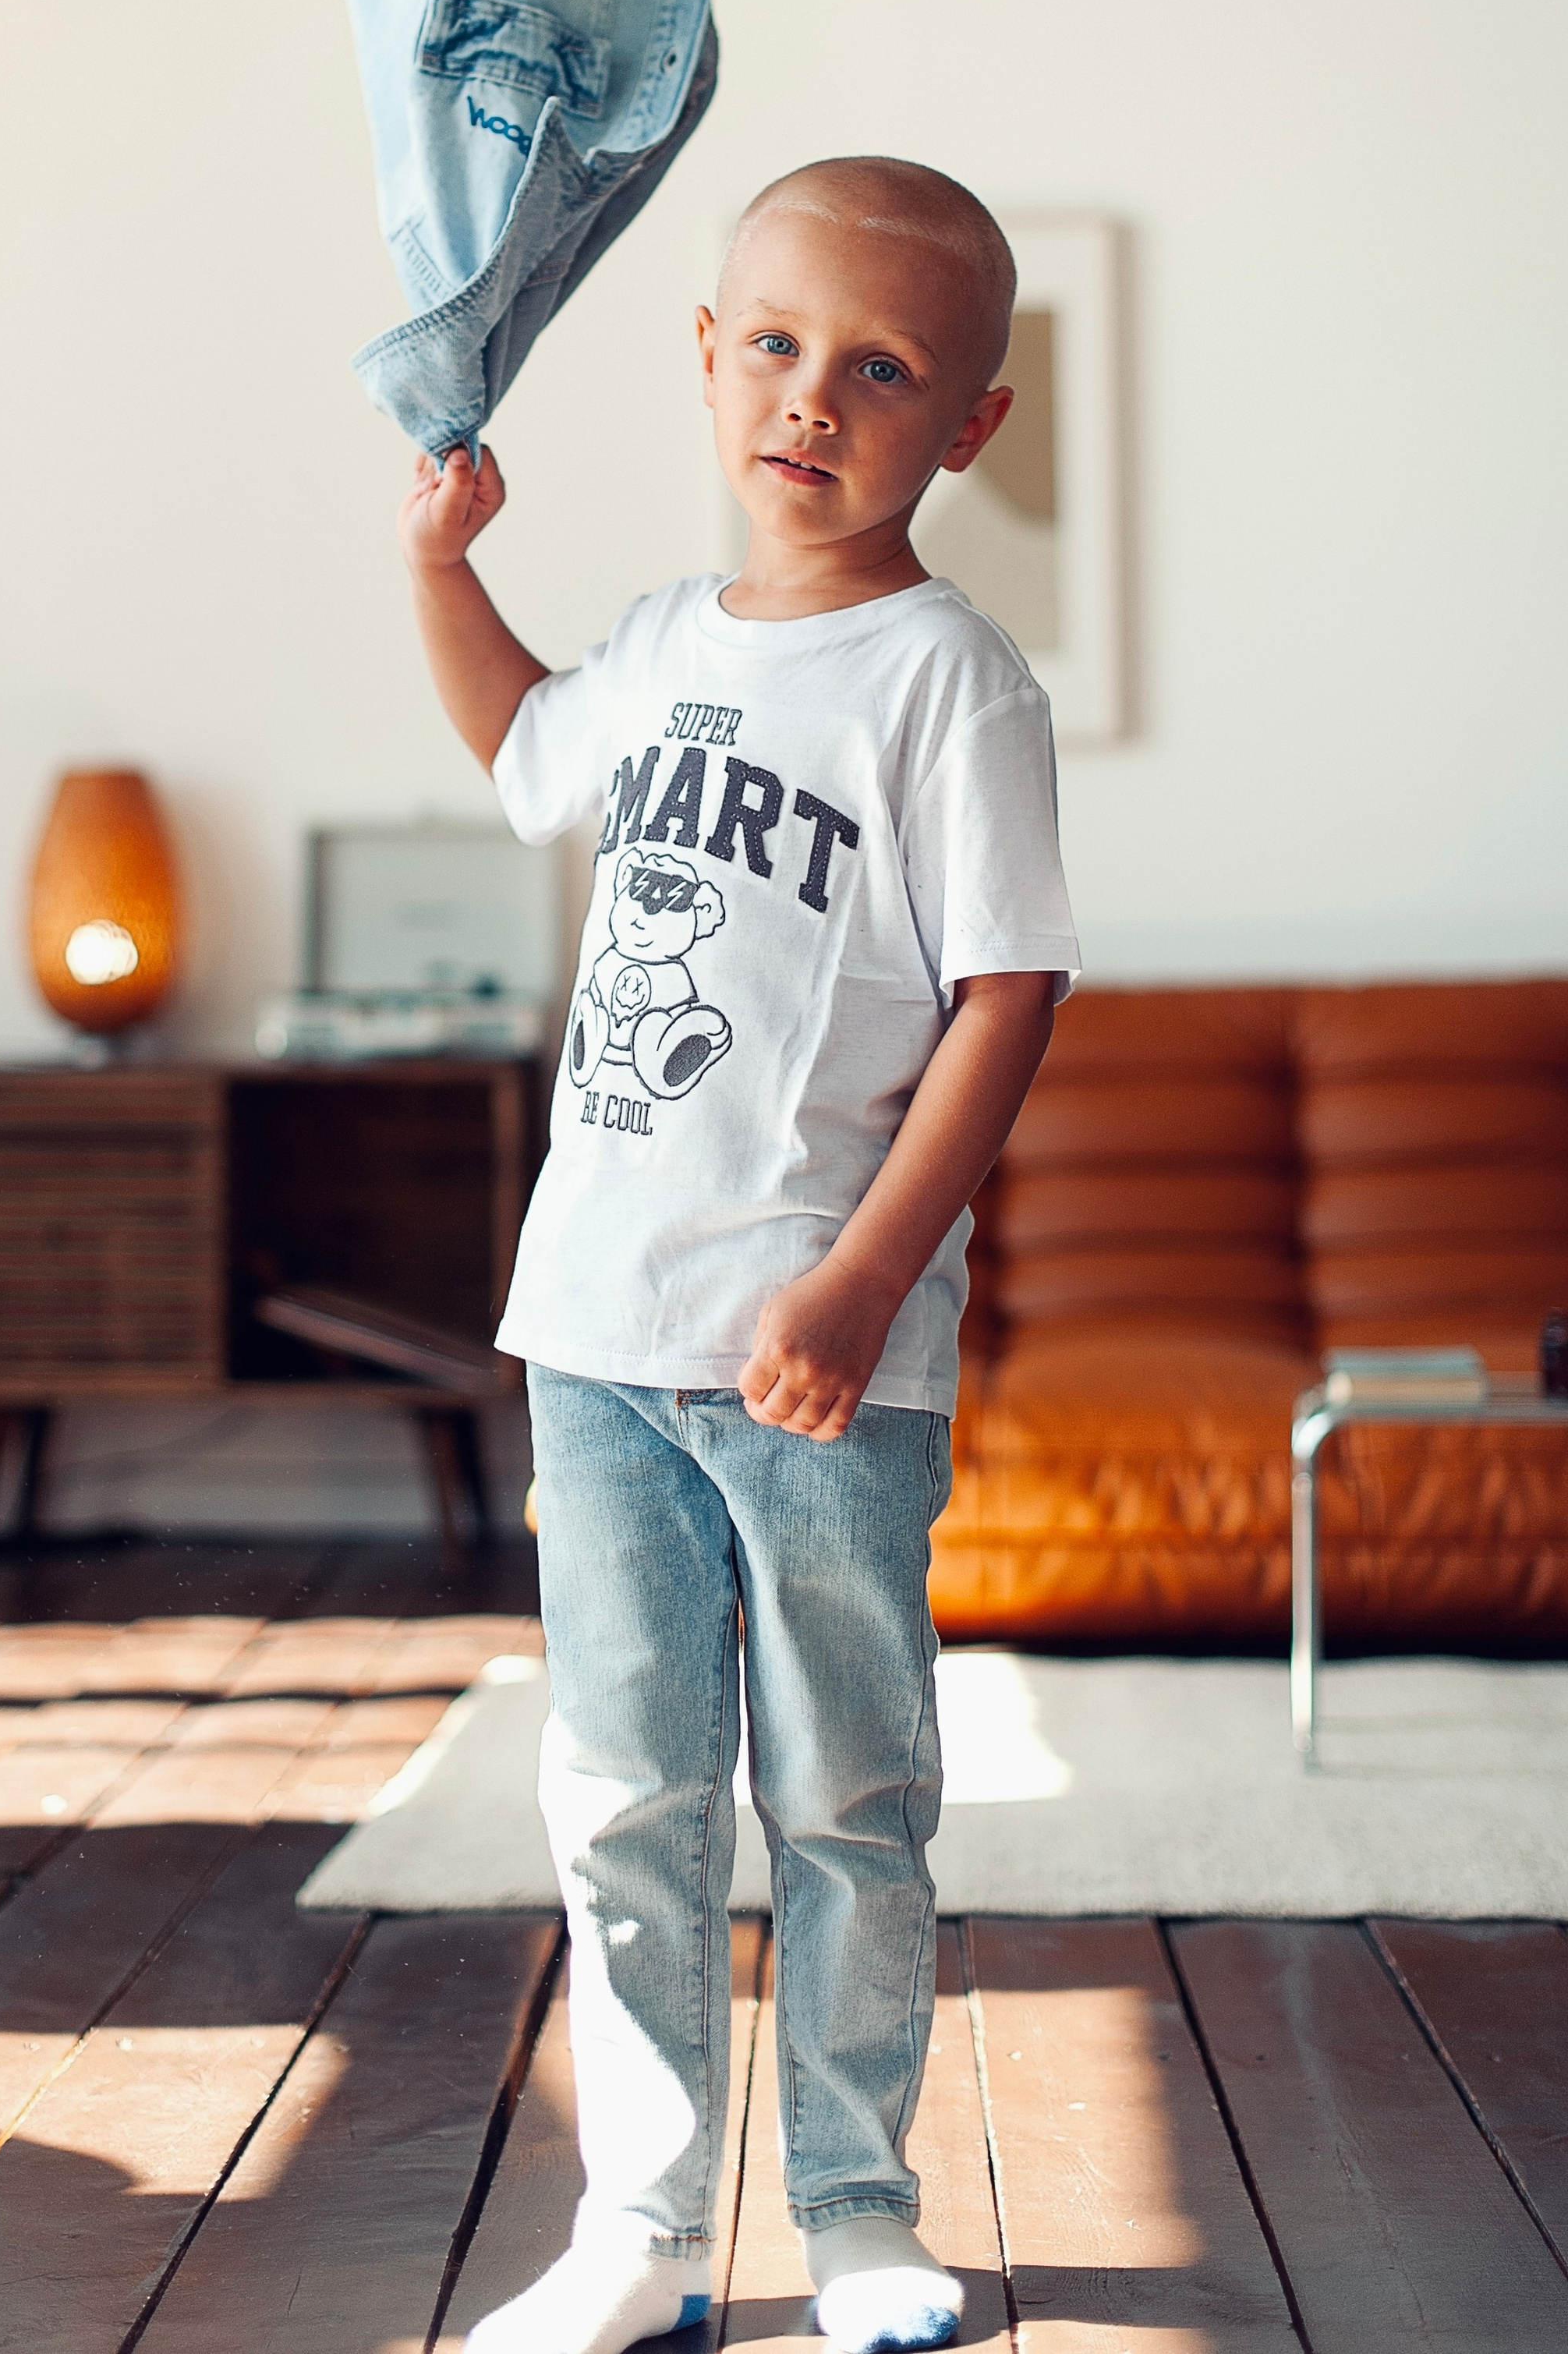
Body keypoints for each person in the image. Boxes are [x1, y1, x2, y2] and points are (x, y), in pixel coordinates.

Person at [399, 158, 1079, 2354]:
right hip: (596, 1330)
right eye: (776, 347)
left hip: (819, 1363)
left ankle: (864, 2207)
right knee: (622, 1797)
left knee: (849, 1795)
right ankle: (644, 2230)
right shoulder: (663, 649)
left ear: (963, 427)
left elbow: (1007, 997)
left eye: (881, 369)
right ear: (705, 362)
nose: (814, 399)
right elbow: (520, 751)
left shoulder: (952, 683)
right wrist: (443, 563)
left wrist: (872, 1271)